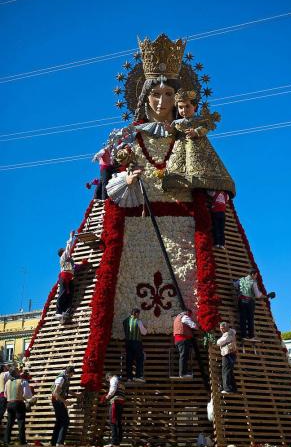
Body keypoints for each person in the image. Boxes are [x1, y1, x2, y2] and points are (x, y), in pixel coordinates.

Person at [82, 34, 236, 389]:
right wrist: (127, 173)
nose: (163, 100)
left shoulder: (190, 135)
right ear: (145, 97)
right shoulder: (127, 136)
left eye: (169, 94)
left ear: (180, 99)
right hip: (133, 222)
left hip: (187, 225)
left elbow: (211, 175)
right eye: (156, 94)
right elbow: (110, 179)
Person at [163, 89, 221, 190]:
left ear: (195, 106)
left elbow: (206, 127)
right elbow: (173, 135)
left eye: (187, 106)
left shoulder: (199, 119)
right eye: (180, 107)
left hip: (199, 147)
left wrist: (196, 132)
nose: (184, 110)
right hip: (180, 147)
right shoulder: (176, 122)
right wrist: (169, 130)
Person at [56, 231, 88, 323]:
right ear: (62, 253)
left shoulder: (69, 261)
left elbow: (73, 268)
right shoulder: (63, 258)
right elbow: (68, 247)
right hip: (64, 278)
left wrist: (83, 264)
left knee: (69, 295)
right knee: (62, 294)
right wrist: (71, 237)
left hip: (69, 278)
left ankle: (66, 312)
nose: (67, 252)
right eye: (64, 251)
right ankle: (58, 311)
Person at [235, 269, 267, 340]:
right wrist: (265, 296)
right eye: (256, 275)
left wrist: (239, 291)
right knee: (250, 319)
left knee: (242, 318)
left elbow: (235, 284)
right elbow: (258, 295)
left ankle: (243, 336)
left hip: (241, 300)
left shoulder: (241, 280)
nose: (256, 277)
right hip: (249, 301)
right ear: (253, 274)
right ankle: (251, 336)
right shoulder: (253, 282)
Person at [4, 366, 32, 445]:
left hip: (9, 403)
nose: (19, 371)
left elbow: (5, 395)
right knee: (21, 422)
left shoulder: (7, 382)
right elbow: (27, 395)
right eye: (17, 370)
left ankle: (6, 440)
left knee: (9, 423)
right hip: (18, 403)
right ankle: (22, 441)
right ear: (16, 373)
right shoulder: (22, 381)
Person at [50, 365, 76, 447]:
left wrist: (76, 395)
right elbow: (55, 393)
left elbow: (65, 389)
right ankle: (59, 442)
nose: (72, 376)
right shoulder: (61, 378)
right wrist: (65, 402)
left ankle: (54, 442)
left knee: (59, 421)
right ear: (70, 373)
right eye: (72, 374)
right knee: (65, 421)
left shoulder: (65, 377)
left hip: (59, 400)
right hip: (57, 401)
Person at [123, 308, 147, 382]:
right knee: (139, 358)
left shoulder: (125, 321)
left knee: (129, 360)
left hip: (128, 342)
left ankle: (129, 377)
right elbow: (144, 332)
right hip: (136, 342)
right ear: (136, 313)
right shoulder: (138, 321)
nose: (139, 315)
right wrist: (145, 327)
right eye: (138, 314)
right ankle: (138, 375)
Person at [102, 372, 126, 447]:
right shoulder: (120, 381)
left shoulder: (113, 379)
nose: (109, 382)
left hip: (115, 402)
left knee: (113, 421)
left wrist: (106, 397)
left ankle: (114, 442)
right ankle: (118, 441)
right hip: (121, 402)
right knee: (118, 421)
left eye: (108, 380)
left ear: (108, 377)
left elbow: (113, 390)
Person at [173, 310, 198, 378]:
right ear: (187, 312)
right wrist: (198, 327)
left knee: (183, 356)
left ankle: (183, 373)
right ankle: (183, 373)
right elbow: (193, 325)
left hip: (177, 340)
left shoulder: (177, 318)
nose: (190, 316)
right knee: (184, 356)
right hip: (183, 339)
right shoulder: (184, 317)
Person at [216, 322, 237, 394]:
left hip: (228, 353)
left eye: (223, 328)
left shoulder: (229, 333)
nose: (221, 330)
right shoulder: (230, 332)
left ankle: (227, 388)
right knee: (229, 371)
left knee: (226, 371)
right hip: (230, 353)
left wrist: (218, 341)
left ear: (227, 327)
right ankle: (233, 388)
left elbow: (219, 342)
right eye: (220, 329)